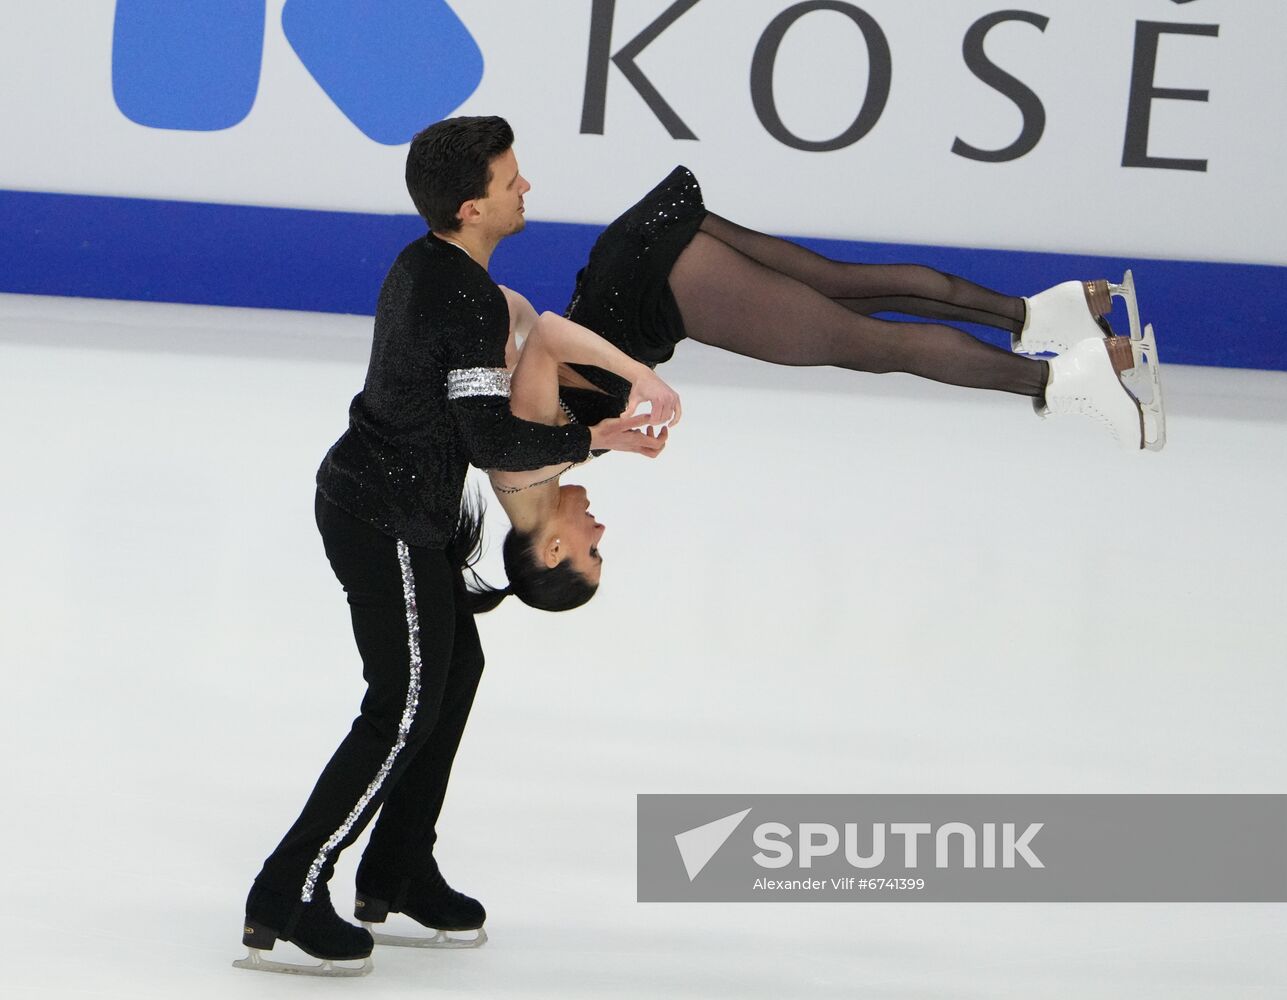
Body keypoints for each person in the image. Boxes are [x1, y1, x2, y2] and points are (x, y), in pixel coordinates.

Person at [235, 117, 678, 976]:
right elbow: (489, 440)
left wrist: (590, 426)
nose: (525, 188)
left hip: (408, 511)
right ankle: (286, 892)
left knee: (455, 671)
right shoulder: (457, 294)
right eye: (512, 181)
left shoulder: (435, 268)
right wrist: (596, 439)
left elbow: (499, 409)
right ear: (473, 208)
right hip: (383, 515)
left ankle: (396, 871)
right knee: (402, 705)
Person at [481, 162, 1164, 610]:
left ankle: (1066, 380)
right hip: (638, 261)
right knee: (847, 289)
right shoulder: (526, 468)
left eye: (592, 550)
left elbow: (544, 332)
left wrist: (634, 376)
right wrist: (601, 429)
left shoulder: (521, 466)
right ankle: (1045, 314)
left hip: (661, 286)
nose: (600, 531)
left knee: (871, 345)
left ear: (553, 551)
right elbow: (518, 315)